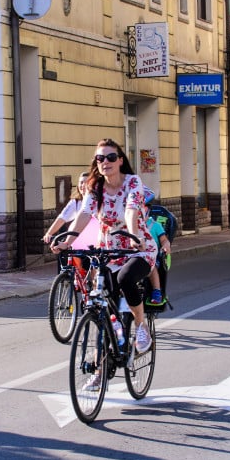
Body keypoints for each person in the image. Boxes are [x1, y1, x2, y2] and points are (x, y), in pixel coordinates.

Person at [52, 138, 156, 354]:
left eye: (110, 157)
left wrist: (134, 237)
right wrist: (67, 242)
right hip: (108, 249)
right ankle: (104, 356)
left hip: (138, 248)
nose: (105, 161)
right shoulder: (95, 186)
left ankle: (140, 325)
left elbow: (131, 210)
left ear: (119, 160)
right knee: (98, 292)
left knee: (125, 279)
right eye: (100, 158)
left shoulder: (132, 182)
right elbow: (85, 214)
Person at [43, 172, 89, 244]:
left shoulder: (100, 200)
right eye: (81, 182)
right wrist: (49, 233)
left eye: (87, 183)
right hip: (79, 241)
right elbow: (62, 218)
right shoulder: (75, 202)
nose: (83, 185)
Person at [143, 192, 171, 305]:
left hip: (152, 256)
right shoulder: (128, 225)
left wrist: (165, 246)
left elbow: (164, 240)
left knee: (151, 265)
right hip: (133, 254)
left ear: (147, 210)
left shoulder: (155, 225)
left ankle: (156, 291)